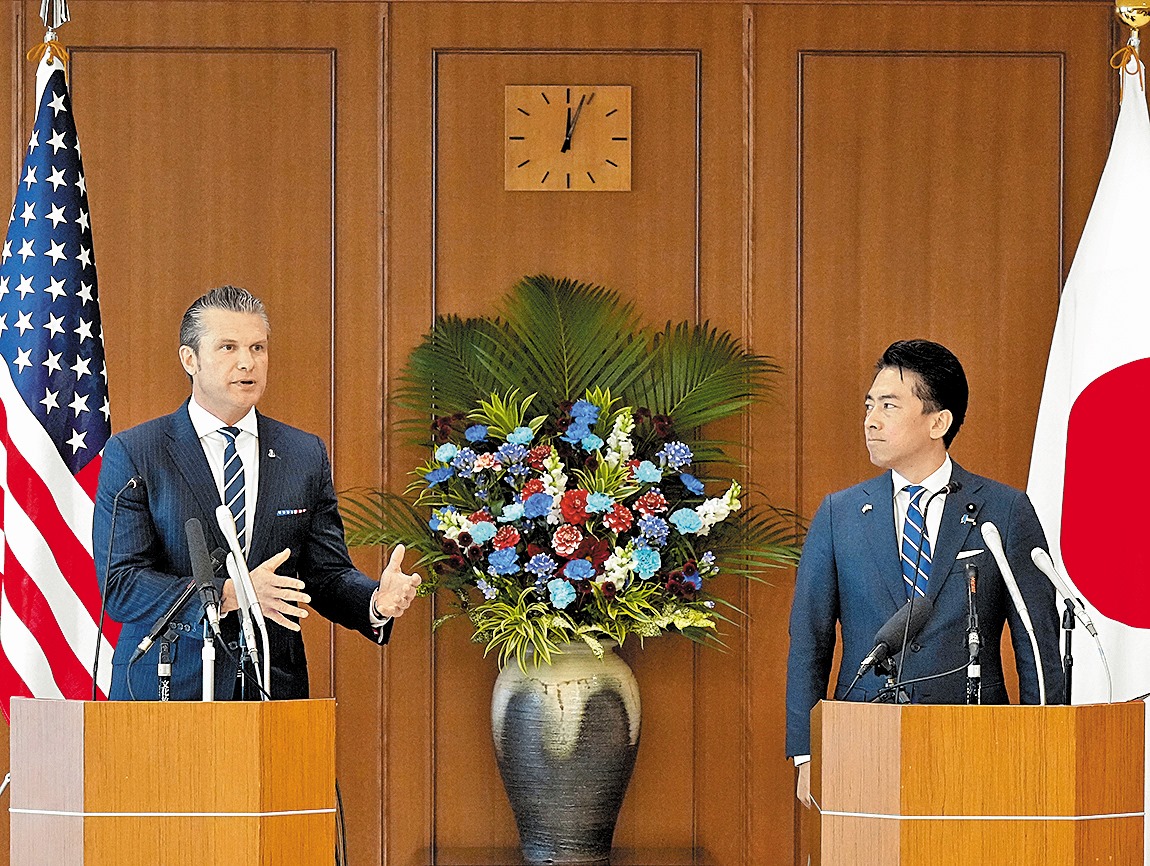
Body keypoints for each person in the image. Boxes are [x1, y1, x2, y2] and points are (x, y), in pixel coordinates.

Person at [93, 285, 419, 701]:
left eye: (258, 348)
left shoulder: (302, 453)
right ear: (189, 359)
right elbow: (121, 584)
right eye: (228, 347)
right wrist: (231, 594)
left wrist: (374, 600)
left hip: (272, 690)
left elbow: (325, 573)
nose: (247, 362)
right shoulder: (137, 452)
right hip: (167, 688)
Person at [785, 339, 1063, 805]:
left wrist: (1044, 745)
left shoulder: (1005, 510)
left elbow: (1037, 641)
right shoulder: (840, 514)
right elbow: (810, 640)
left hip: (976, 742)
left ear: (939, 421)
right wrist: (806, 753)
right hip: (861, 741)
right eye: (869, 405)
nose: (870, 420)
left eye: (889, 406)